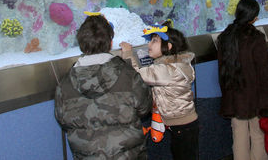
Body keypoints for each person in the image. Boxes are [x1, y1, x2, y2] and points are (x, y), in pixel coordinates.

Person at [55, 13, 152, 159]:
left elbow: (62, 119)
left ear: (81, 44)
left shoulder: (64, 85)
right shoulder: (128, 75)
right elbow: (145, 107)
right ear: (110, 42)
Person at [120, 22, 199, 160]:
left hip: (182, 125)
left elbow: (137, 75)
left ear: (168, 47)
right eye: (150, 40)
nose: (149, 44)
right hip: (183, 124)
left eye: (155, 41)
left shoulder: (168, 70)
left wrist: (127, 53)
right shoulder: (173, 65)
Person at [216, 0, 268, 160]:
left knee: (239, 137)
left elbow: (222, 70)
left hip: (234, 97)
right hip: (255, 97)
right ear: (254, 17)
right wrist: (267, 101)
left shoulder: (225, 37)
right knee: (258, 136)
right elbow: (264, 73)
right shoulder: (256, 38)